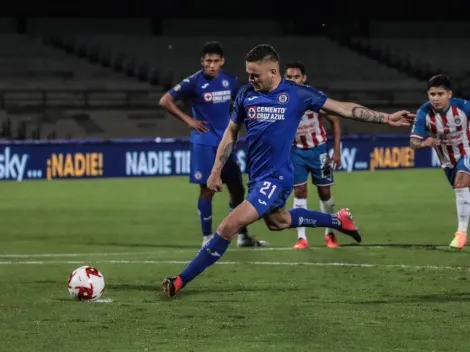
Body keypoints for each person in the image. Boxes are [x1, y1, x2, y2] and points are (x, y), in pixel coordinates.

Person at [162, 44, 413, 297]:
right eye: (248, 73)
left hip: (277, 178)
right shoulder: (245, 94)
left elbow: (343, 108)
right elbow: (231, 132)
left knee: (229, 226)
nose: (250, 79)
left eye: (255, 74)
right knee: (278, 221)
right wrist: (216, 170)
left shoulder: (298, 94)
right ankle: (337, 220)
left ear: (272, 71)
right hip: (257, 176)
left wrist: (386, 118)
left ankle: (181, 280)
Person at [159, 41, 267, 248]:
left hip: (225, 143)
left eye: (215, 61)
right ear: (202, 62)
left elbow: (243, 101)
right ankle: (207, 238)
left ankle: (242, 236)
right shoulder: (194, 81)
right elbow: (165, 100)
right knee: (207, 189)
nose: (211, 65)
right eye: (208, 61)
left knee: (237, 188)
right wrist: (189, 121)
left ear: (222, 61)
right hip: (204, 143)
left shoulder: (230, 81)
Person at [284, 62, 343, 249]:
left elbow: (335, 120)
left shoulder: (315, 97)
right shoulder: (281, 99)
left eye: (296, 77)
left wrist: (337, 151)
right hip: (295, 151)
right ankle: (302, 238)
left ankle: (330, 233)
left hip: (320, 151)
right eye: (289, 77)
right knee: (299, 191)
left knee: (325, 192)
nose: (293, 80)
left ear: (303, 78)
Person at [410, 74, 470, 250]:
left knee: (461, 183)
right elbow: (413, 143)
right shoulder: (424, 113)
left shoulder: (463, 107)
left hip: (467, 152)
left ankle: (461, 234)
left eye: (440, 94)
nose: (435, 98)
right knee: (462, 190)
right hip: (447, 161)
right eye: (432, 94)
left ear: (449, 94)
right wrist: (422, 143)